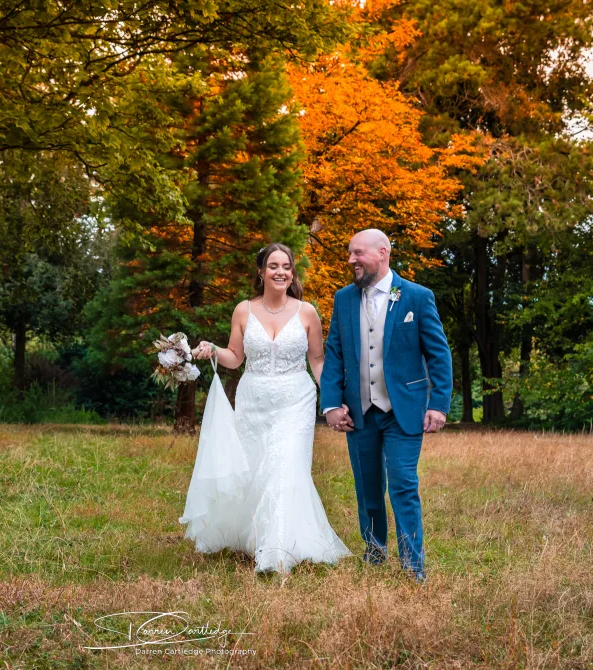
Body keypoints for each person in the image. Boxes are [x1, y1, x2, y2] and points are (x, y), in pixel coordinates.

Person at [184, 243, 352, 575]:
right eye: (273, 266)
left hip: (296, 399)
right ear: (261, 272)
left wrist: (332, 398)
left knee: (285, 464)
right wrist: (213, 349)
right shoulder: (244, 310)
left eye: (286, 266)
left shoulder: (307, 312)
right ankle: (256, 535)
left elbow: (317, 361)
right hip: (253, 399)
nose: (281, 272)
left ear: (292, 272)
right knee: (257, 468)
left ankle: (276, 551)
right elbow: (235, 357)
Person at [320, 229, 453, 583]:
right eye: (350, 253)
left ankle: (413, 564)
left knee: (403, 485)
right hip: (359, 412)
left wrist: (438, 405)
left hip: (403, 411)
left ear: (382, 253)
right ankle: (375, 553)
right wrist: (331, 403)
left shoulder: (416, 297)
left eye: (357, 253)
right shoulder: (344, 299)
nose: (351, 260)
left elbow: (439, 355)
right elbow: (334, 353)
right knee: (367, 488)